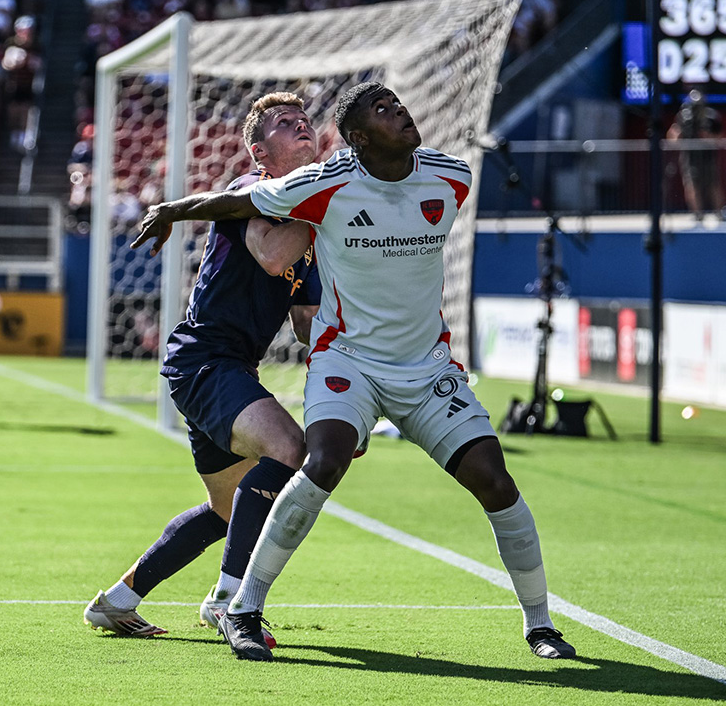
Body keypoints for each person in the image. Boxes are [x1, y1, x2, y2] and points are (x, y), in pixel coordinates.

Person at [132, 81, 575, 662]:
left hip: (426, 368)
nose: (401, 113)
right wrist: (171, 209)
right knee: (313, 459)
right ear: (360, 138)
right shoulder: (316, 187)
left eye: (400, 105)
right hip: (328, 365)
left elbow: (303, 318)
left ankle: (540, 625)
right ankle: (240, 606)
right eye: (383, 110)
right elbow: (243, 213)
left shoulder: (451, 176)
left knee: (496, 481)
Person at [84, 92, 322, 639]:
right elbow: (269, 255)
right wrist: (323, 210)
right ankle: (227, 600)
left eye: (305, 121)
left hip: (226, 367)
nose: (301, 127)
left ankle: (115, 601)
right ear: (261, 153)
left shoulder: (306, 225)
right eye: (286, 124)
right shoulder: (248, 193)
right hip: (205, 361)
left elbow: (307, 321)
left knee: (224, 510)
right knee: (289, 449)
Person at [666, 89, 724, 221]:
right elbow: (673, 135)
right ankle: (698, 214)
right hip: (690, 156)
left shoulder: (711, 116)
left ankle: (719, 212)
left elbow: (719, 137)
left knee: (713, 184)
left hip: (707, 156)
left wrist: (707, 137)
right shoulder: (684, 116)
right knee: (692, 185)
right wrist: (677, 137)